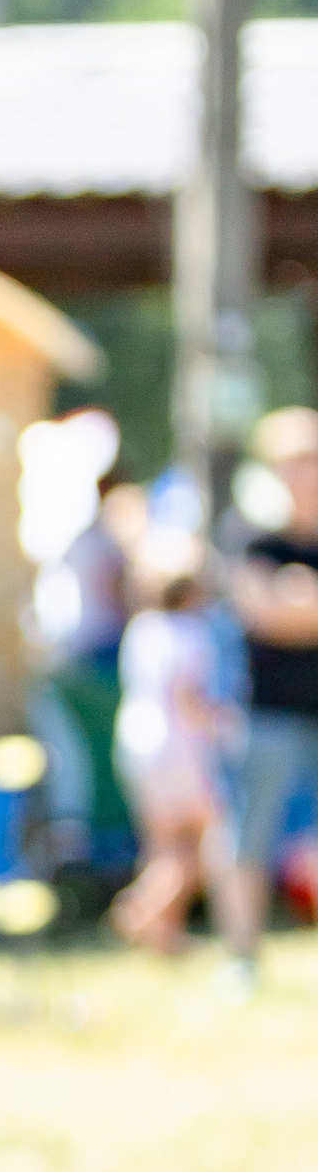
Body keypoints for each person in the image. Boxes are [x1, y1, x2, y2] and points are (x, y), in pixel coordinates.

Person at [212, 405, 318, 986]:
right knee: (248, 837)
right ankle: (242, 959)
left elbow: (287, 613)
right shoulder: (253, 537)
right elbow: (262, 613)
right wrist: (288, 606)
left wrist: (299, 601)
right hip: (270, 714)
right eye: (295, 462)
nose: (306, 475)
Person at [108, 551, 230, 955]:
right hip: (181, 747)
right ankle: (141, 910)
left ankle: (164, 935)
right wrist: (223, 726)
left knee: (161, 843)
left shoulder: (142, 628)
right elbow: (187, 695)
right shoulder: (191, 632)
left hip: (138, 742)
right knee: (199, 842)